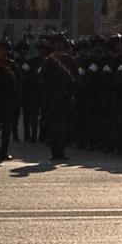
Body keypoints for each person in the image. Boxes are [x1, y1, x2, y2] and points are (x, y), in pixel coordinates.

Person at [39, 33, 78, 162]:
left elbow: (75, 78)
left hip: (65, 97)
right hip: (52, 98)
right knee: (53, 126)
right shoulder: (48, 61)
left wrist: (71, 94)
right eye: (57, 44)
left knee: (63, 126)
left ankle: (60, 150)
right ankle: (55, 151)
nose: (59, 46)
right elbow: (43, 80)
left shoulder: (70, 60)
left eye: (61, 44)